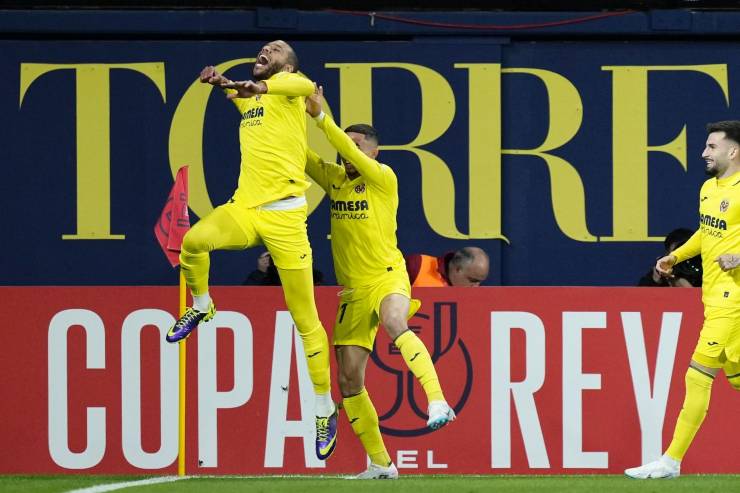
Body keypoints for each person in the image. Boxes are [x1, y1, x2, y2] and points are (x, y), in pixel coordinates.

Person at [164, 40, 338, 461]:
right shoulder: (253, 102)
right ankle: (202, 304)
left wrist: (252, 87)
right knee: (194, 241)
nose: (266, 49)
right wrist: (219, 82)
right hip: (244, 209)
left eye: (275, 49)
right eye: (263, 48)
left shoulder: (295, 86)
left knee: (306, 319)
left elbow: (278, 88)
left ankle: (323, 408)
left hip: (286, 220)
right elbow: (243, 95)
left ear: (288, 63)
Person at [304, 86, 455, 479]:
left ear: (373, 151)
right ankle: (381, 464)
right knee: (349, 380)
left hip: (387, 275)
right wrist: (255, 107)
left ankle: (438, 401)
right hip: (352, 291)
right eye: (345, 145)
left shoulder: (383, 177)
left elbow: (346, 150)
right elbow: (298, 155)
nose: (348, 151)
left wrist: (322, 118)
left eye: (357, 145)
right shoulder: (336, 179)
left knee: (394, 322)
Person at [625, 120, 740, 479]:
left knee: (698, 374)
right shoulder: (708, 188)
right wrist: (676, 256)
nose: (704, 153)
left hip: (732, 299)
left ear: (733, 151)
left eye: (711, 146)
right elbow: (708, 236)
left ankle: (671, 460)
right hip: (714, 296)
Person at [637, 228, 702, 287]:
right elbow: (638, 297)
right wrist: (655, 280)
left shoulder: (705, 270)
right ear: (667, 254)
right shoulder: (664, 273)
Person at [405, 247, 490, 287]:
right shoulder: (417, 265)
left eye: (480, 282)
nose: (476, 287)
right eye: (473, 281)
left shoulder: (476, 297)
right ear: (458, 270)